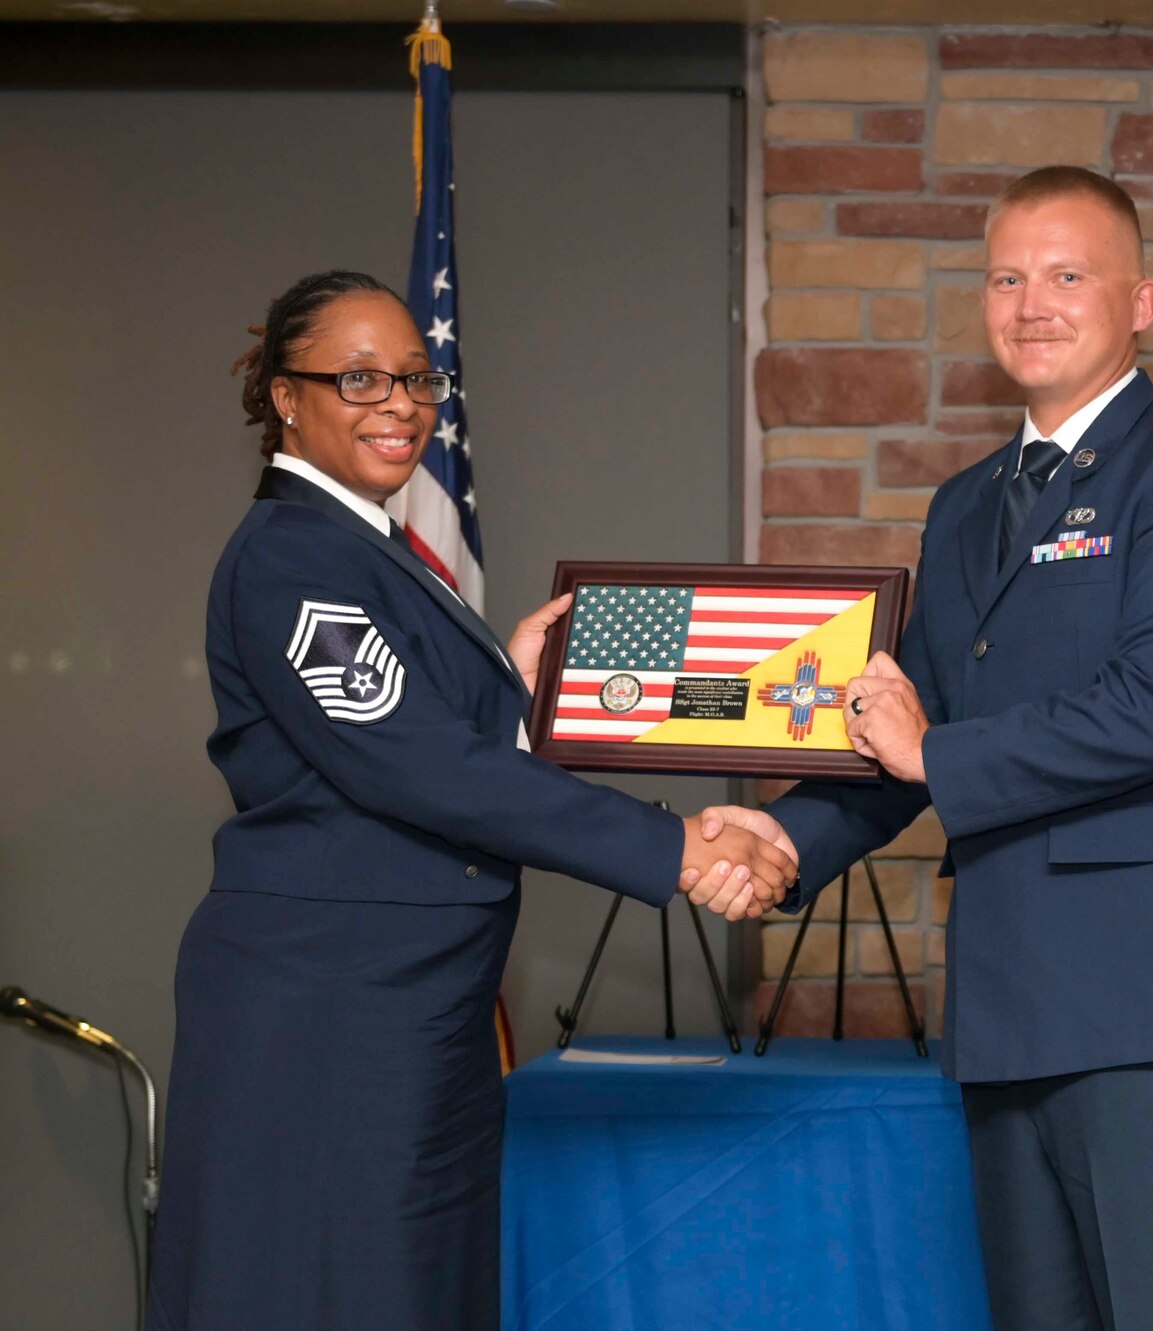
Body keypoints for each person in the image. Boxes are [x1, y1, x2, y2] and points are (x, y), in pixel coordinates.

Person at [145, 270, 795, 1331]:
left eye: (415, 377)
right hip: (328, 1015)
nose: (399, 404)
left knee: (412, 1291)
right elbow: (413, 763)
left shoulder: (369, 544)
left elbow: (413, 746)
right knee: (322, 1294)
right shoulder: (292, 555)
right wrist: (675, 846)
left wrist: (508, 696)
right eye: (357, 379)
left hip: (406, 1009)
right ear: (285, 397)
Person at [698, 167, 1153, 1331]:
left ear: (1141, 300)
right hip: (1010, 1001)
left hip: (1150, 1000)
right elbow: (906, 715)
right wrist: (782, 833)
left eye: (1067, 275)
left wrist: (931, 756)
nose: (1030, 303)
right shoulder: (967, 501)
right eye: (1006, 277)